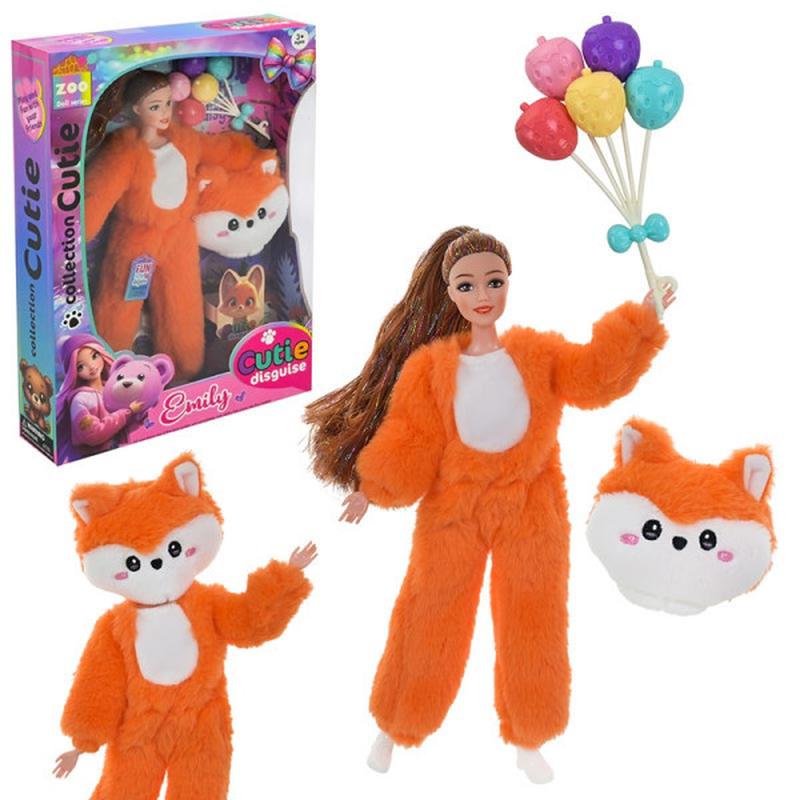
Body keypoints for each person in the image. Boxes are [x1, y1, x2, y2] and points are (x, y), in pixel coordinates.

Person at [305, 226, 675, 782]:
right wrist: (370, 489)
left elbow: (595, 376)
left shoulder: (538, 354)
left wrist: (641, 321)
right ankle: (396, 724)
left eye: (494, 282)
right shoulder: (430, 369)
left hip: (531, 506)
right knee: (430, 609)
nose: (482, 295)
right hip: (453, 509)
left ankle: (530, 735)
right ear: (449, 292)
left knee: (536, 615)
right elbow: (410, 439)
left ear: (508, 283)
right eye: (467, 285)